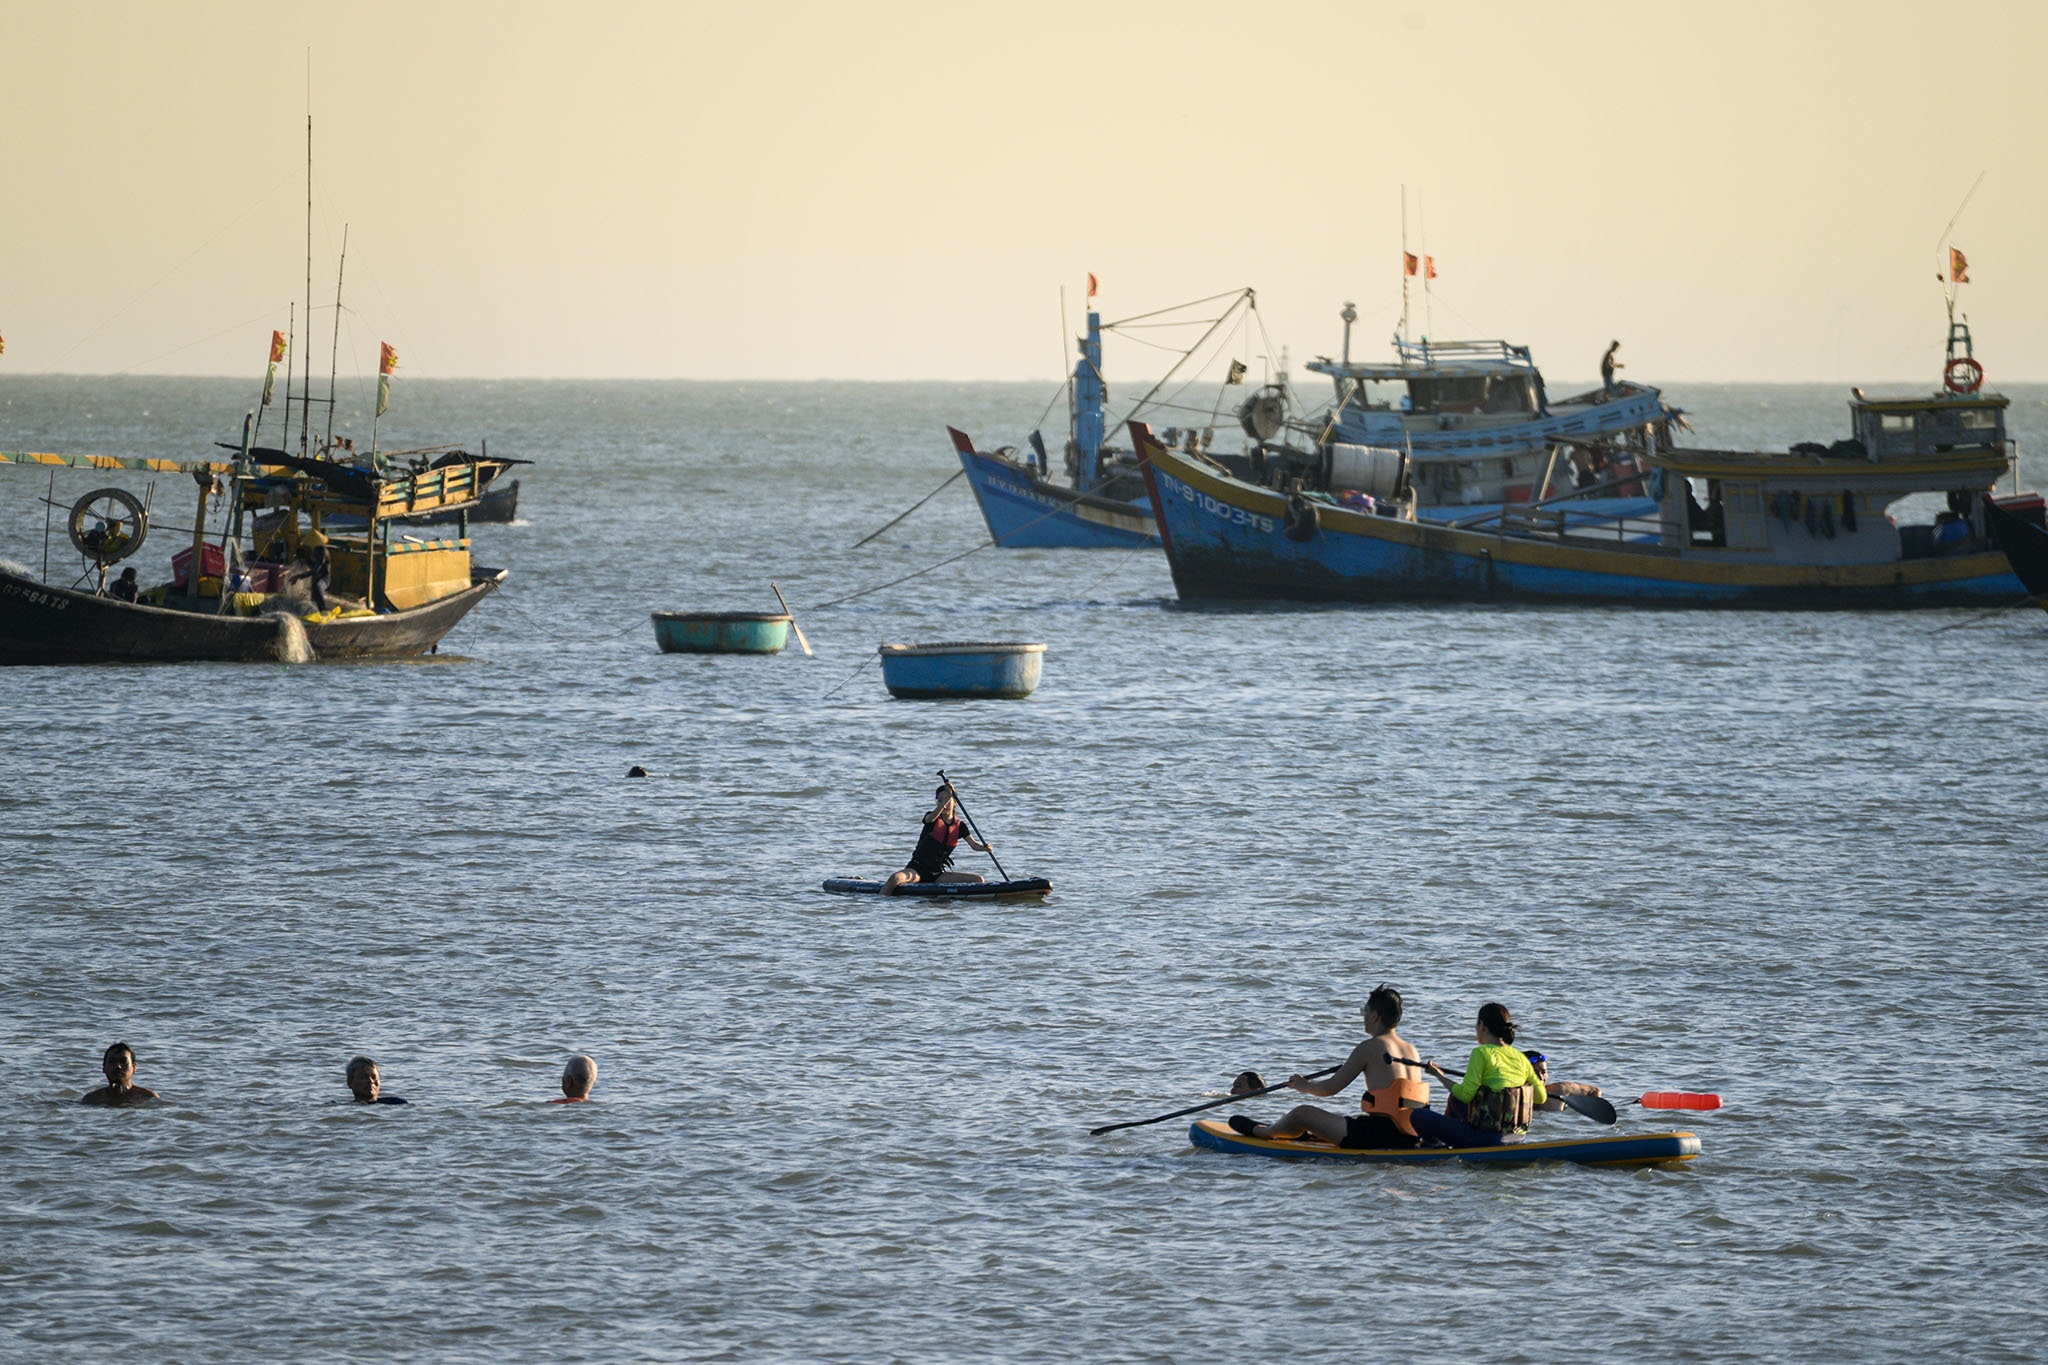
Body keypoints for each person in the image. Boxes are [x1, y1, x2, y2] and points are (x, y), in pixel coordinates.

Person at [1225, 984, 1427, 1149]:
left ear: (1375, 1016)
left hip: (1380, 1135)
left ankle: (1265, 1131)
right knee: (1342, 1120)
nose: (1363, 1016)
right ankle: (1306, 1133)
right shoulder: (1412, 1050)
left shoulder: (1370, 1046)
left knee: (1301, 1113)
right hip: (1413, 1134)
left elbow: (1330, 1089)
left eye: (1364, 1011)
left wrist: (1304, 1086)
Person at [1412, 1002, 1546, 1148]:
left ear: (1482, 1025)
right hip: (1517, 1137)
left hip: (1486, 1139)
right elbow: (1541, 1097)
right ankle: (1448, 1142)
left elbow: (1465, 1095)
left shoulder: (1481, 1053)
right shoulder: (1520, 1057)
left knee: (1418, 1115)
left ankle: (1435, 1146)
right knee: (1455, 1099)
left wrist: (1439, 1076)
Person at [882, 783, 992, 893]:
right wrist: (948, 797)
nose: (944, 804)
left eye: (947, 800)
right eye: (940, 800)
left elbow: (973, 845)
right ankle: (881, 900)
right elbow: (930, 819)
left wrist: (985, 848)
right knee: (895, 878)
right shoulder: (931, 818)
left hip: (937, 874)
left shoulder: (960, 826)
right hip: (917, 870)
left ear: (955, 802)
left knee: (979, 880)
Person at [80, 1042, 159, 1107]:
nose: (118, 1066)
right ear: (104, 1068)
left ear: (134, 1068)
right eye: (112, 1062)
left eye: (123, 1062)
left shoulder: (147, 1097)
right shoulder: (91, 1100)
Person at [1528, 1052, 1603, 1113]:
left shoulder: (1559, 1090)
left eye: (1544, 1072)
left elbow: (1594, 1091)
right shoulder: (1520, 1097)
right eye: (1535, 1073)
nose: (1541, 1077)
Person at [299, 530, 332, 611]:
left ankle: (323, 609)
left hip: (324, 579)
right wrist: (305, 560)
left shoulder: (322, 552)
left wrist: (299, 576)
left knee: (317, 586)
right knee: (314, 595)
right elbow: (313, 565)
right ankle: (317, 609)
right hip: (316, 578)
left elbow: (316, 570)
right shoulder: (316, 550)